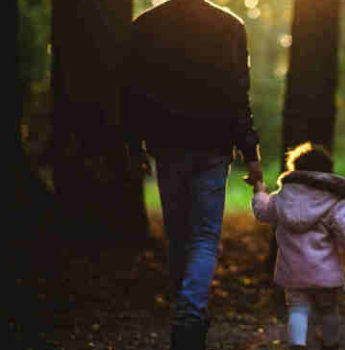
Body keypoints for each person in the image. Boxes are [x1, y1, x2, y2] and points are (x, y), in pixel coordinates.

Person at [119, 1, 263, 349]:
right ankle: (189, 316)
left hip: (167, 145)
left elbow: (131, 93)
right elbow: (238, 95)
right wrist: (251, 153)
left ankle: (189, 313)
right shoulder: (230, 25)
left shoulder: (145, 25)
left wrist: (133, 146)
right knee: (204, 238)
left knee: (179, 234)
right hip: (213, 146)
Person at [251, 142, 345, 350]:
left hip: (293, 271)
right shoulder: (334, 201)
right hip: (325, 272)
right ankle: (331, 344)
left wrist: (259, 193)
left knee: (297, 309)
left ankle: (297, 345)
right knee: (329, 309)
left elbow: (263, 211)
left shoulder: (283, 197)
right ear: (327, 172)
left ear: (295, 170)